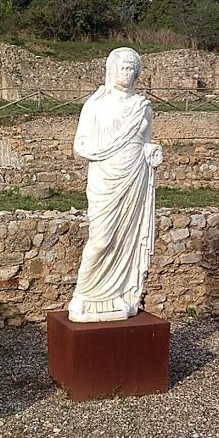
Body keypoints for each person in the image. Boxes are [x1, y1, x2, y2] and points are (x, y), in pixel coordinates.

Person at [67, 47, 163, 322]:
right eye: (123, 67)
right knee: (101, 239)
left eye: (133, 68)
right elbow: (81, 145)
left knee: (127, 239)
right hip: (106, 179)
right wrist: (106, 148)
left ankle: (120, 295)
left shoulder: (143, 107)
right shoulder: (95, 105)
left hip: (135, 178)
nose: (128, 72)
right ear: (111, 69)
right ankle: (82, 296)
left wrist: (151, 152)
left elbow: (146, 142)